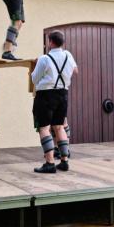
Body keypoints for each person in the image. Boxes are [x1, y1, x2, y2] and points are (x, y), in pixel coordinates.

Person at [30, 30, 77, 173]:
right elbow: (75, 70)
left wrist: (36, 66)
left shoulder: (44, 58)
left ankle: (49, 163)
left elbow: (34, 79)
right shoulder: (68, 55)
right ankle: (64, 161)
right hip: (63, 93)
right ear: (63, 42)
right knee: (59, 127)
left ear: (50, 42)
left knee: (44, 128)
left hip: (46, 95)